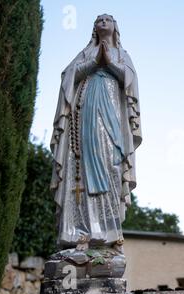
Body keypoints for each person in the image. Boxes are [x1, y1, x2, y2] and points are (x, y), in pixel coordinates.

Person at [50, 14, 142, 253]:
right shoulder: (85, 53)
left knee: (110, 165)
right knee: (80, 167)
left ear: (115, 27)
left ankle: (109, 232)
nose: (102, 21)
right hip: (84, 113)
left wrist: (108, 63)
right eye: (98, 19)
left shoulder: (123, 55)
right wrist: (94, 63)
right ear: (93, 28)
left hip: (111, 113)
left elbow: (130, 81)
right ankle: (79, 232)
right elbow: (68, 77)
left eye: (107, 19)